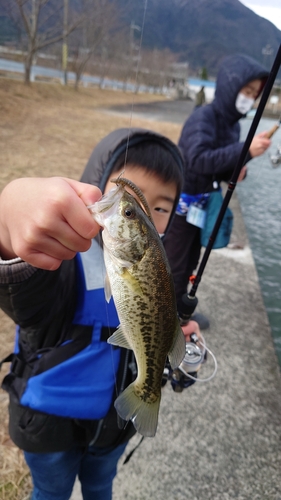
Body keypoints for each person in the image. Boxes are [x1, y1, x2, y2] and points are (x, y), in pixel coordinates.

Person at [0, 128, 201, 500]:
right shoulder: (58, 260)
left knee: (99, 487)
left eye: (159, 208)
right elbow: (22, 295)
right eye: (129, 206)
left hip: (113, 427)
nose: (143, 211)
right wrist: (8, 217)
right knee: (51, 492)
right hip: (48, 425)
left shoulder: (157, 268)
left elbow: (157, 321)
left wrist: (179, 330)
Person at [163, 54, 271, 323]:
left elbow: (219, 166)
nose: (249, 98)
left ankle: (178, 312)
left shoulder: (232, 125)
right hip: (183, 205)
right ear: (230, 86)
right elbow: (196, 160)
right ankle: (164, 317)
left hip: (203, 205)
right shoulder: (204, 117)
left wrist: (239, 167)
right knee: (174, 263)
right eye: (246, 91)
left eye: (254, 94)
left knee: (191, 261)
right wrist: (245, 149)